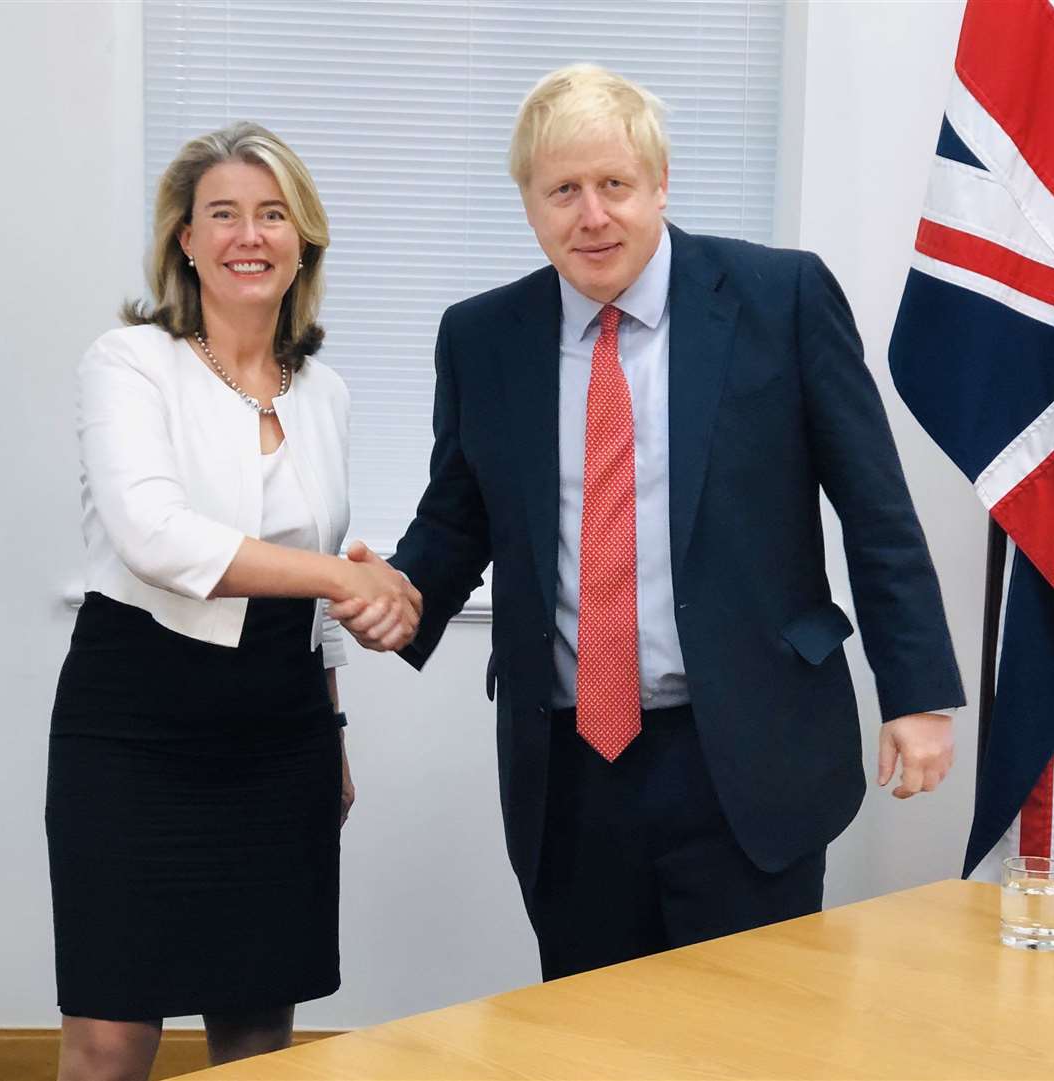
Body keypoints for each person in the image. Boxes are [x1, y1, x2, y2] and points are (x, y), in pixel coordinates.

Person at [333, 65, 964, 981]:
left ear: (659, 185)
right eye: (563, 191)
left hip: (750, 753)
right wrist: (396, 592)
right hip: (572, 771)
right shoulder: (484, 336)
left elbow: (875, 508)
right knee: (592, 1041)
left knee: (750, 1038)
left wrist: (917, 693)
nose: (592, 215)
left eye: (614, 186)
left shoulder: (779, 299)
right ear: (530, 206)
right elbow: (459, 516)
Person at [46, 121, 419, 1081]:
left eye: (271, 214)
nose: (247, 236)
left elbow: (318, 564)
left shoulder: (324, 392)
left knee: (257, 1036)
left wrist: (331, 727)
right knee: (109, 1036)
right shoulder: (128, 362)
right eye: (222, 215)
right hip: (133, 722)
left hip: (278, 728)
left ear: (304, 240)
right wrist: (346, 579)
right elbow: (155, 535)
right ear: (185, 239)